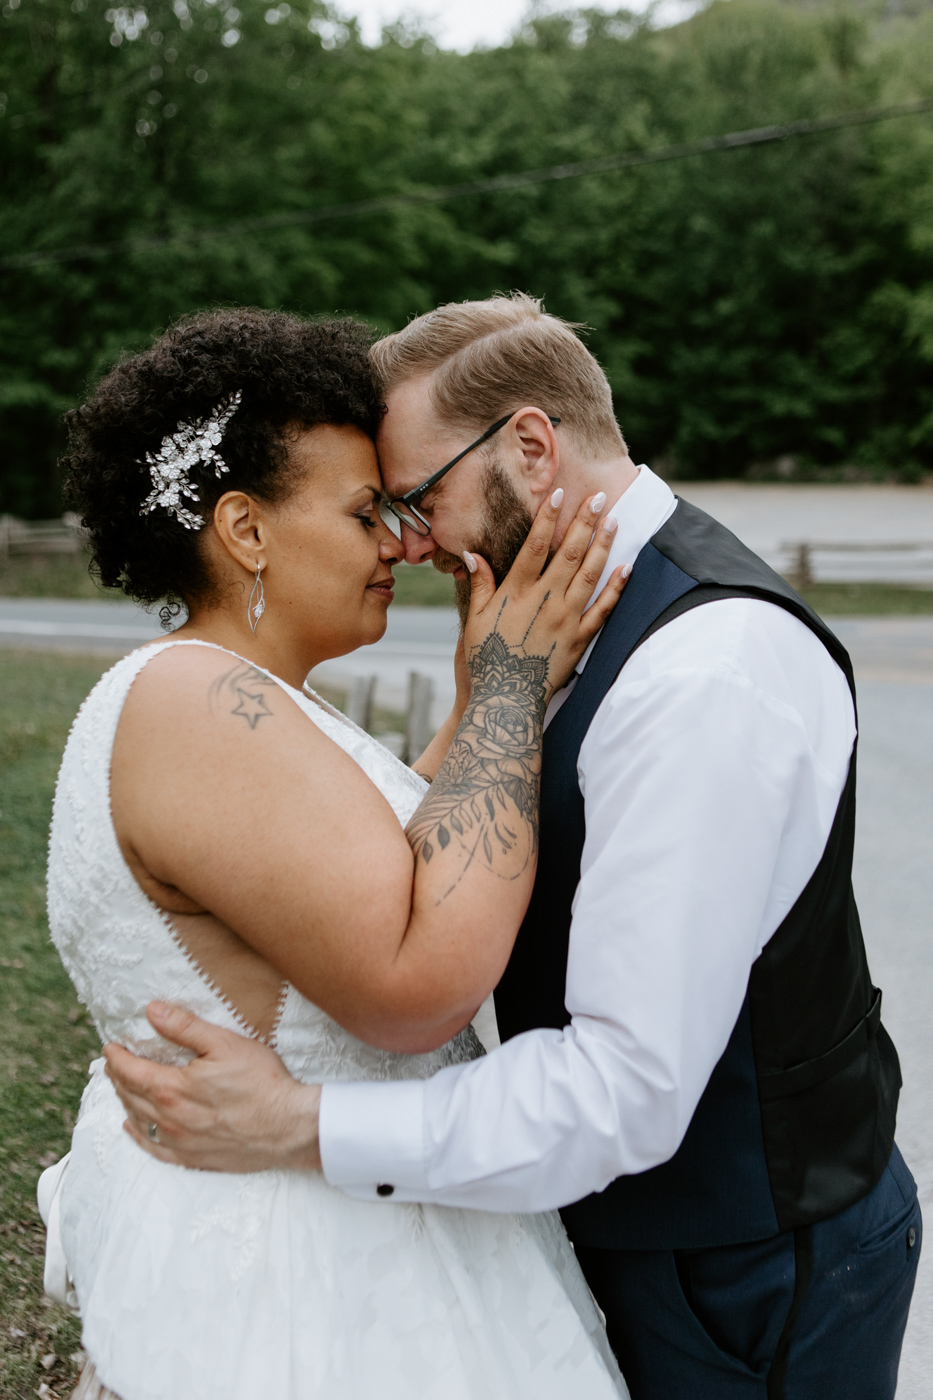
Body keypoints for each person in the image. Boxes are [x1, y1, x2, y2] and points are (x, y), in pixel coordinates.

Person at [109, 294, 922, 1400]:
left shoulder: (705, 672)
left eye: (418, 496)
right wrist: (497, 692)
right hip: (629, 1228)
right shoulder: (540, 623)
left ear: (531, 446)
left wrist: (302, 1123)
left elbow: (621, 1087)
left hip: (748, 1263)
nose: (412, 539)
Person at [44, 306, 630, 1400]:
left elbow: (396, 856)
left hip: (340, 1207)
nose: (403, 543)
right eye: (368, 512)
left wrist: (483, 688)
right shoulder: (197, 701)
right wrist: (507, 691)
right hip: (302, 1268)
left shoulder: (244, 698)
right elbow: (415, 988)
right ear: (246, 530)